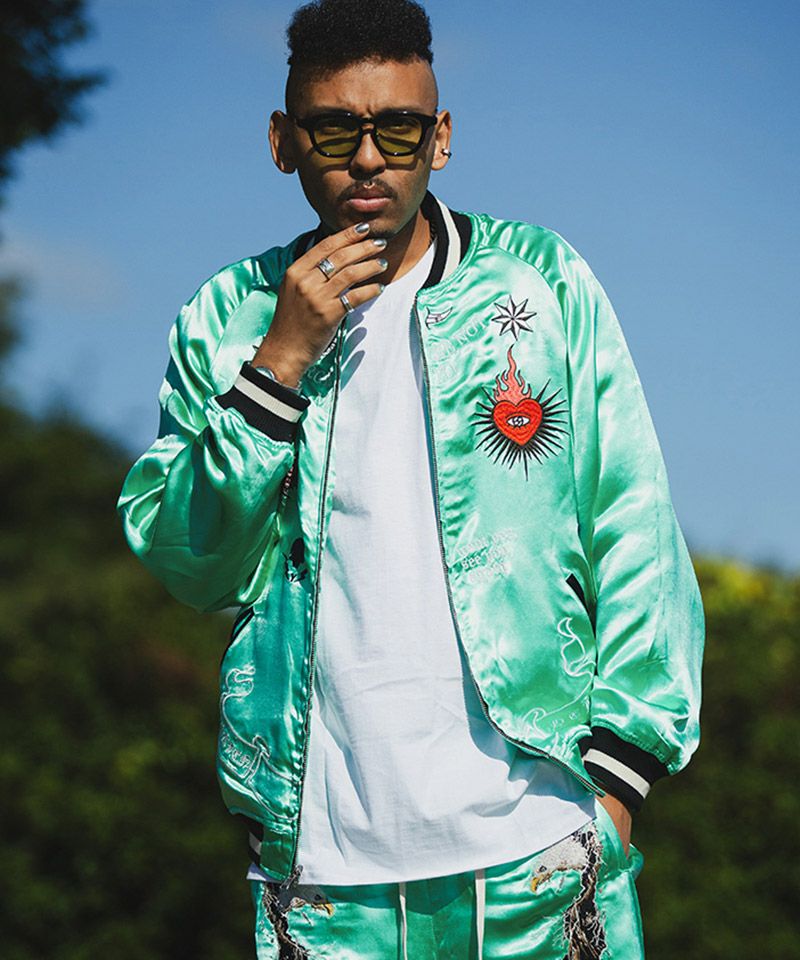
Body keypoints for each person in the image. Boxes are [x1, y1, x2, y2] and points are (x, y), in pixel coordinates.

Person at [117, 0, 704, 956]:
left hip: (540, 850)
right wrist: (278, 365)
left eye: (398, 129)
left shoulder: (540, 282)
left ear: (441, 137)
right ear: (282, 142)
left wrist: (619, 780)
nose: (368, 160)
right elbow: (194, 563)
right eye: (334, 130)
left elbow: (632, 520)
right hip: (324, 872)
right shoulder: (227, 317)